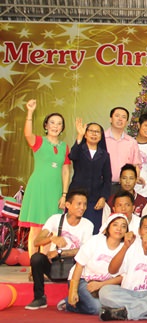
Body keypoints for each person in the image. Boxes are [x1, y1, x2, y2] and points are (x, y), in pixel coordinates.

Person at [98, 214, 147, 321]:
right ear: (139, 231)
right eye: (146, 228)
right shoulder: (131, 243)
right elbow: (112, 270)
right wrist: (125, 246)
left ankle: (127, 313)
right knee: (104, 292)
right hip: (130, 294)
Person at [26, 189, 94, 310]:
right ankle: (39, 297)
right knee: (37, 258)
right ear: (68, 205)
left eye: (84, 204)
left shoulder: (88, 224)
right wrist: (52, 238)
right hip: (55, 266)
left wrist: (60, 252)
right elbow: (37, 241)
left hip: (74, 268)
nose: (82, 207)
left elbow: (84, 250)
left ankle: (71, 300)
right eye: (79, 204)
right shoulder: (55, 219)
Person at [20, 99, 71, 257]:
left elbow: (65, 172)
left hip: (55, 192)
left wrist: (64, 194)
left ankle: (45, 266)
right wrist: (30, 112)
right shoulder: (39, 141)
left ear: (62, 128)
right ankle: (34, 268)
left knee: (51, 229)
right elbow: (28, 134)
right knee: (36, 229)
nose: (56, 126)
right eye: (52, 122)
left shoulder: (64, 147)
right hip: (38, 189)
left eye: (59, 123)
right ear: (46, 126)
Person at [60, 214, 128, 314]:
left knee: (118, 304)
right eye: (115, 225)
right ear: (108, 227)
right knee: (97, 308)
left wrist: (100, 285)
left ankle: (84, 300)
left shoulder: (126, 248)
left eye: (123, 226)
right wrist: (73, 291)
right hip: (84, 280)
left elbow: (122, 276)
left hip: (106, 284)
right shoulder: (95, 241)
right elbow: (79, 265)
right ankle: (69, 304)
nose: (119, 229)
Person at [68, 119, 111, 234]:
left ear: (101, 136)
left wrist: (103, 197)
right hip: (76, 198)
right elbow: (72, 155)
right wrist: (79, 136)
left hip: (94, 200)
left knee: (92, 231)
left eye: (97, 132)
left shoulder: (105, 155)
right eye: (91, 131)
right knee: (72, 229)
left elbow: (107, 179)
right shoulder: (79, 150)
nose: (94, 134)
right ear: (86, 134)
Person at [104, 107, 141, 194]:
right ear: (110, 119)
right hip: (103, 186)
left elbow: (136, 165)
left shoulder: (132, 142)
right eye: (117, 116)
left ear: (127, 122)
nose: (120, 119)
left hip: (124, 188)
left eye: (124, 117)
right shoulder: (101, 139)